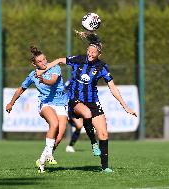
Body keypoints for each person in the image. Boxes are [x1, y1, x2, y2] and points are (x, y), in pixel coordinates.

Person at [36, 37, 137, 173]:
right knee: (86, 114)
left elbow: (112, 87)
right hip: (75, 100)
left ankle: (105, 167)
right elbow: (60, 60)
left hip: (93, 102)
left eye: (93, 53)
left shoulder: (102, 67)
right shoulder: (79, 59)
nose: (90, 54)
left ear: (99, 54)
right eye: (89, 51)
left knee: (103, 133)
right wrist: (43, 69)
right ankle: (93, 143)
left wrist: (125, 106)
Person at [5, 44, 68, 173]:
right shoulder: (32, 75)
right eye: (39, 61)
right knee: (54, 123)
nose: (43, 62)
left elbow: (52, 81)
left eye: (44, 59)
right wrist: (11, 103)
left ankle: (42, 160)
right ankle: (50, 154)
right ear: (35, 64)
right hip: (45, 103)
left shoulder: (55, 67)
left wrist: (43, 80)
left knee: (60, 136)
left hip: (61, 103)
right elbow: (21, 89)